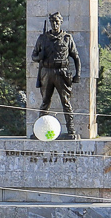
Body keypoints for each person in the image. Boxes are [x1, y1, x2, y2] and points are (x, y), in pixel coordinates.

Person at [31, 11, 81, 139]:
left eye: (57, 22)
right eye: (52, 22)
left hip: (62, 72)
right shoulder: (42, 38)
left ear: (61, 23)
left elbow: (76, 57)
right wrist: (40, 56)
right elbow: (33, 56)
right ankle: (39, 130)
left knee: (66, 102)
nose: (54, 24)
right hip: (46, 72)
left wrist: (78, 74)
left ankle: (71, 129)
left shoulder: (67, 38)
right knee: (45, 102)